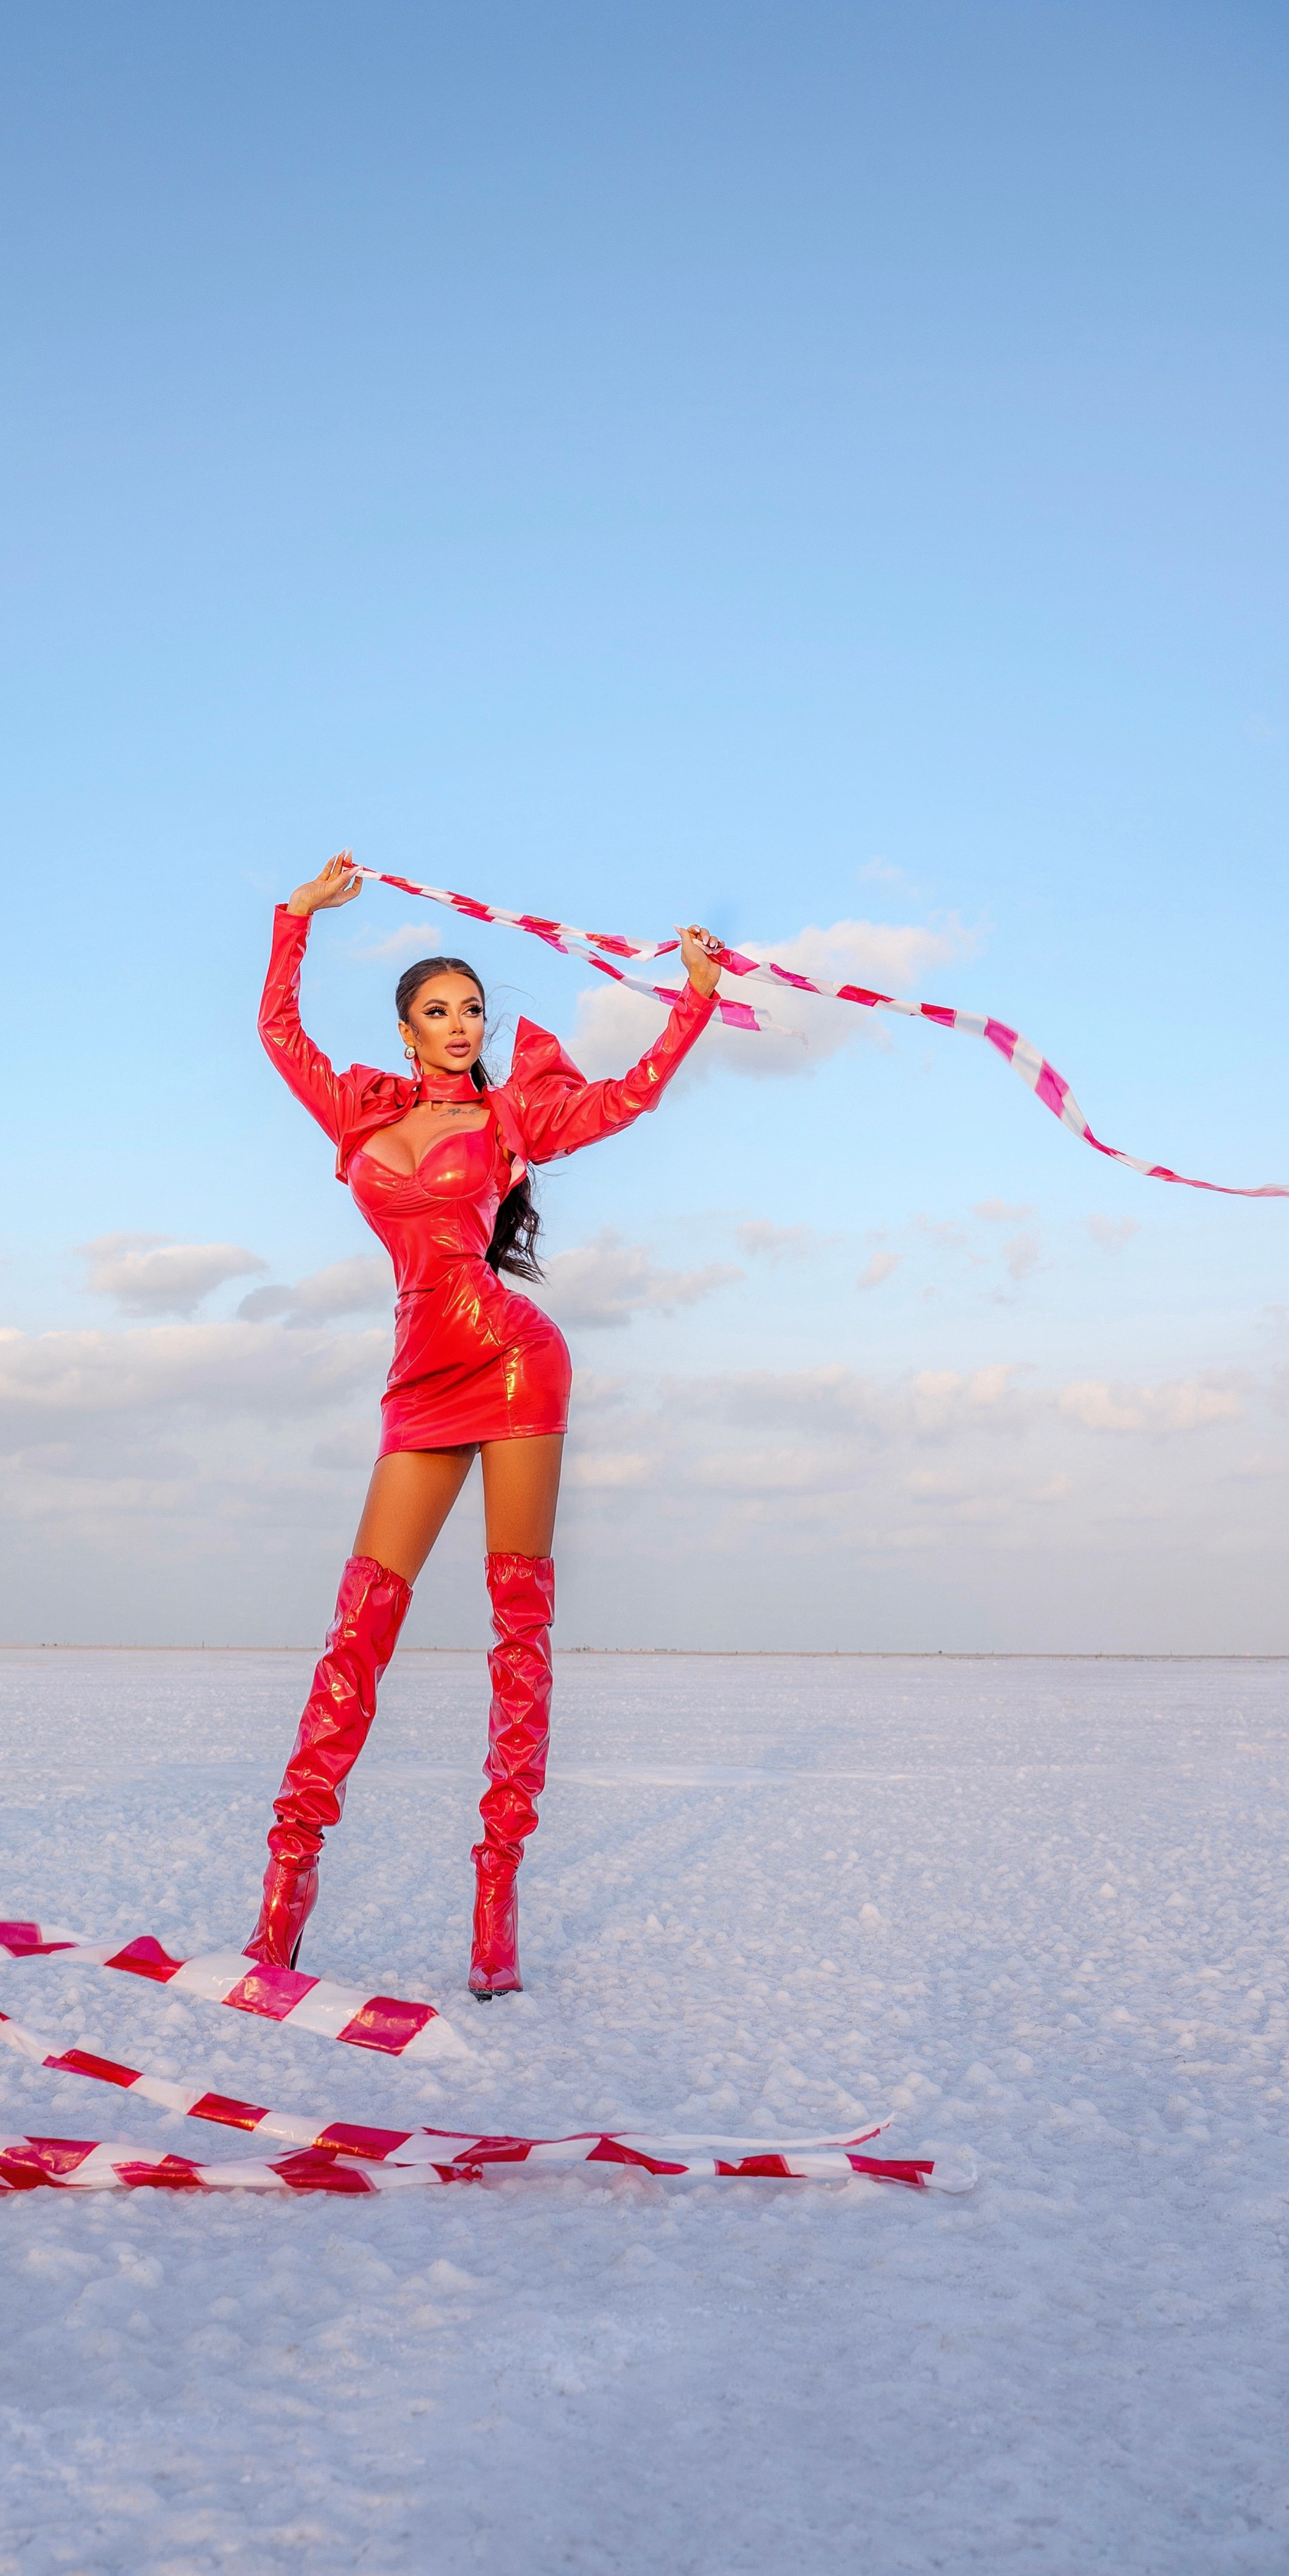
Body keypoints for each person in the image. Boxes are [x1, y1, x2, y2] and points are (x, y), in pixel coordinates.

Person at [248, 850, 722, 1997]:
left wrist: (695, 1001)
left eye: (473, 1010)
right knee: (359, 1630)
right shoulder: (359, 1107)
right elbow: (278, 1031)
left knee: (519, 1629)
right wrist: (296, 917)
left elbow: (628, 1097)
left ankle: (496, 1906)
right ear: (405, 1028)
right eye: (440, 1011)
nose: (461, 1026)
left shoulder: (510, 1116)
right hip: (420, 1376)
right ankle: (285, 1890)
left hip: (514, 1366)